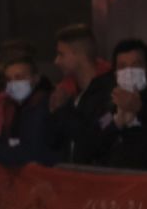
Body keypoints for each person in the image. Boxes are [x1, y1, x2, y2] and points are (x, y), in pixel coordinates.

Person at [96, 39, 147, 171]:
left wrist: (140, 110)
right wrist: (116, 123)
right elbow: (92, 143)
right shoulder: (109, 112)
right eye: (122, 66)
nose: (129, 72)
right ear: (115, 74)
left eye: (136, 65)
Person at [48, 23, 113, 163]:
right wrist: (55, 113)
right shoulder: (72, 95)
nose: (57, 61)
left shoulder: (110, 95)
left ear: (79, 54)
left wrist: (63, 111)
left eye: (61, 54)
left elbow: (94, 136)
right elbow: (55, 143)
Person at [0, 54, 56, 166]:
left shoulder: (44, 106)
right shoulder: (10, 108)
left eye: (19, 78)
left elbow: (34, 152)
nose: (13, 84)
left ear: (35, 79)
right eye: (9, 79)